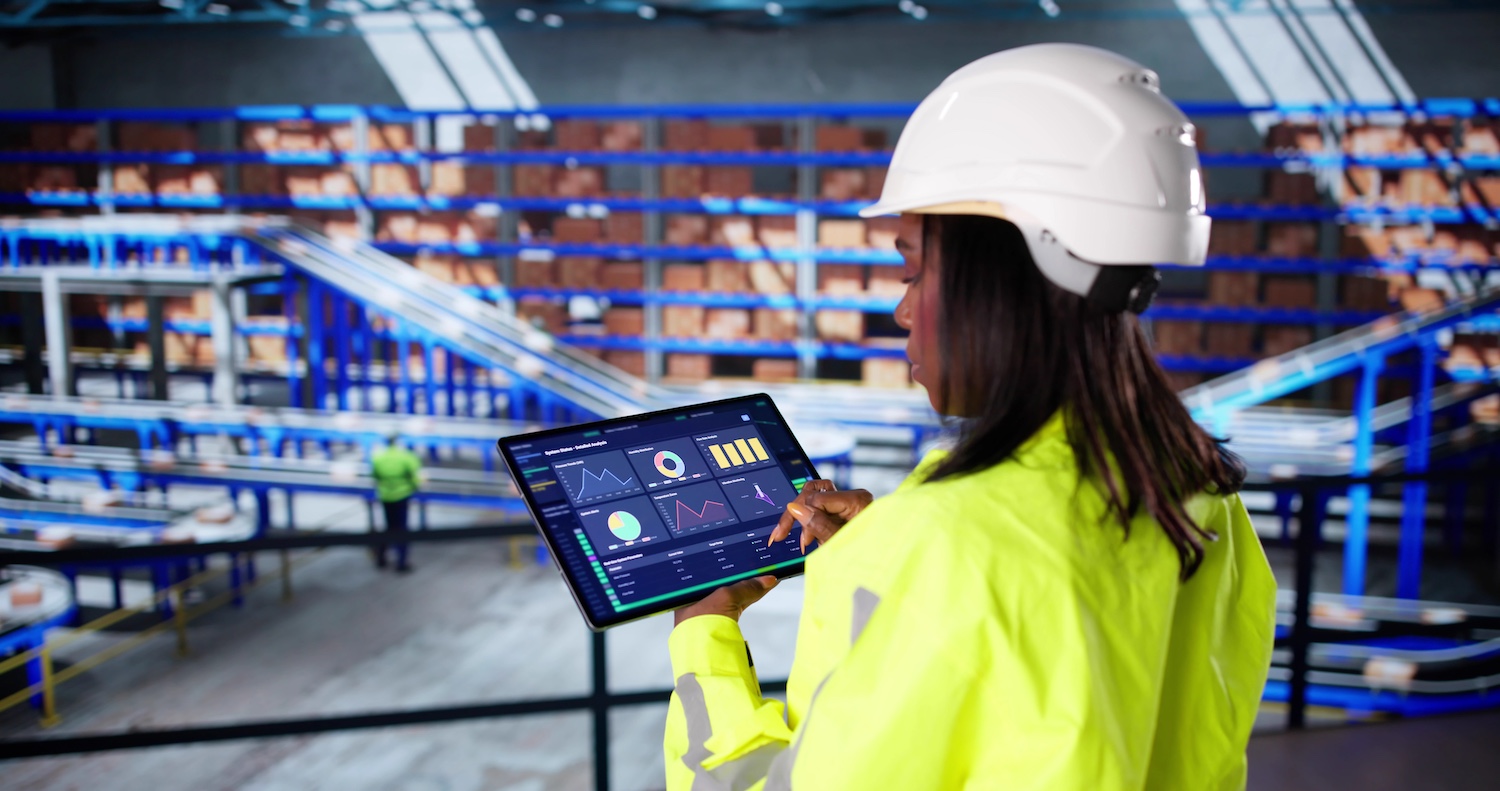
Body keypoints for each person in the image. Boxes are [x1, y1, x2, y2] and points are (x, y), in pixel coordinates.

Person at [662, 44, 1276, 790]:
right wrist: (886, 552)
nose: (900, 308)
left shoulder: (945, 548)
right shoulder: (1194, 485)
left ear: (1004, 272)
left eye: (914, 268)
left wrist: (704, 635)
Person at [371, 431, 421, 572]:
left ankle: (381, 558)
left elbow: (375, 475)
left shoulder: (378, 457)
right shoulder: (406, 456)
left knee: (388, 526)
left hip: (385, 496)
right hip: (402, 496)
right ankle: (401, 562)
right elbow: (415, 475)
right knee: (401, 529)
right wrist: (414, 487)